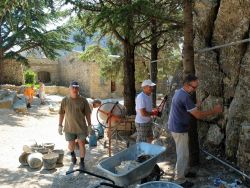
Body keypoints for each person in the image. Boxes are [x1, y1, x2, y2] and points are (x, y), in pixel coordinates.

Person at [167, 75, 223, 187]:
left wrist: (195, 105)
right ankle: (180, 180)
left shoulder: (180, 92)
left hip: (175, 126)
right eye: (194, 86)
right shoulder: (185, 96)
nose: (196, 89)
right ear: (187, 85)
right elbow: (198, 115)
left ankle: (183, 172)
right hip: (179, 129)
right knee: (182, 154)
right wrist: (214, 111)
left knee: (183, 153)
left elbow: (185, 107)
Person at [58, 81, 92, 170]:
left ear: (78, 89)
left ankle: (82, 162)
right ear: (69, 88)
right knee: (71, 145)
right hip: (69, 127)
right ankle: (72, 154)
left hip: (81, 127)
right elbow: (61, 113)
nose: (74, 89)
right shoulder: (65, 100)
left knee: (81, 144)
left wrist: (89, 125)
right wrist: (60, 125)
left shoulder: (83, 100)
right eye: (73, 87)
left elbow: (88, 113)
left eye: (76, 87)